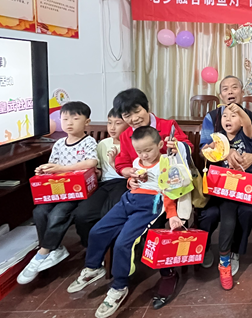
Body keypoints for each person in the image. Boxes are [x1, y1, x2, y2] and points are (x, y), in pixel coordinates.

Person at [68, 127, 191, 318]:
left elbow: (169, 191)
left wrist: (172, 215)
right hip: (129, 199)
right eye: (139, 151)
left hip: (151, 204)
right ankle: (93, 267)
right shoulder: (136, 162)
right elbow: (134, 181)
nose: (144, 155)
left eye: (148, 150)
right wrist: (131, 181)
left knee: (123, 242)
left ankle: (119, 286)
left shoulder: (166, 162)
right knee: (98, 230)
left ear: (160, 145)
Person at [111, 88, 193, 309]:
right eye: (127, 115)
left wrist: (178, 147)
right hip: (144, 191)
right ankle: (117, 268)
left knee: (160, 226)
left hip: (173, 190)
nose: (134, 118)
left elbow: (189, 148)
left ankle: (168, 274)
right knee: (109, 220)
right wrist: (129, 174)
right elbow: (122, 162)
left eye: (137, 111)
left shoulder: (168, 126)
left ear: (146, 107)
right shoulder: (126, 135)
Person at [203, 103, 252, 290]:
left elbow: (247, 123)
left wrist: (238, 110)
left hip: (251, 178)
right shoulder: (219, 139)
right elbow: (207, 153)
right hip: (228, 182)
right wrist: (213, 149)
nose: (228, 119)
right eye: (225, 116)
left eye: (233, 116)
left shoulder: (246, 134)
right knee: (228, 220)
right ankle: (224, 263)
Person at [17, 102, 98, 285]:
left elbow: (91, 162)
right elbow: (53, 166)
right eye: (65, 119)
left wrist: (62, 169)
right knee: (39, 212)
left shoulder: (88, 142)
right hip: (58, 190)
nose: (69, 123)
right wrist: (44, 170)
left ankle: (43, 252)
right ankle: (55, 248)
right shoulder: (59, 144)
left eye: (75, 119)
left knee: (57, 214)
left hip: (77, 193)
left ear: (87, 122)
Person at [198, 75, 252, 276]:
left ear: (242, 93)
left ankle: (235, 250)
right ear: (221, 95)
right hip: (216, 181)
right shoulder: (212, 118)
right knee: (209, 214)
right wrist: (224, 152)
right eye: (225, 89)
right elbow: (203, 149)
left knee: (246, 213)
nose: (230, 92)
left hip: (242, 181)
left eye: (234, 87)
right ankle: (205, 247)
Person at [74, 108, 129, 247]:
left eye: (118, 123)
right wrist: (93, 173)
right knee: (82, 214)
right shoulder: (103, 144)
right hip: (105, 183)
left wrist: (115, 162)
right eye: (109, 122)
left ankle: (110, 249)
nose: (112, 127)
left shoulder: (132, 144)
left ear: (129, 124)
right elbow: (98, 170)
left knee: (108, 213)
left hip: (125, 182)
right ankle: (90, 247)